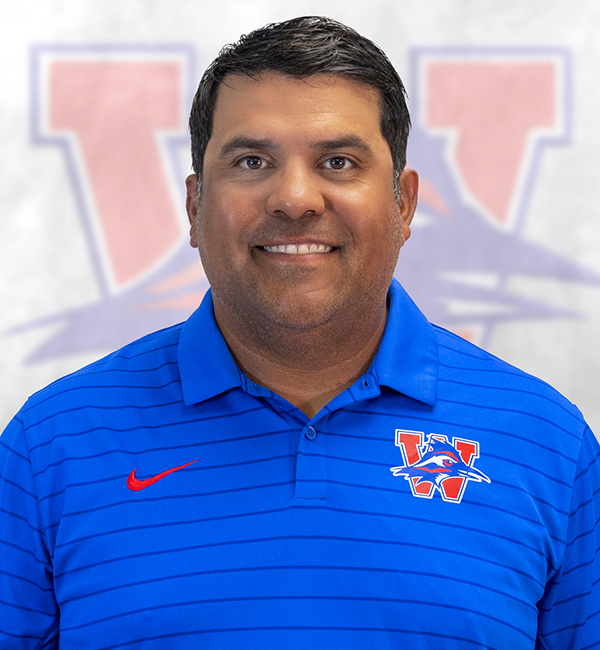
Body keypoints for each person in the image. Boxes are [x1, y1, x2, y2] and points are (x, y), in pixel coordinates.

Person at [0, 15, 598, 650]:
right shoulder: (50, 446)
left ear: (403, 203)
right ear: (195, 206)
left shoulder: (547, 444)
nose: (294, 198)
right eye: (252, 161)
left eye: (338, 162)